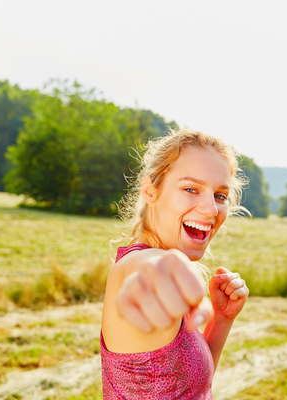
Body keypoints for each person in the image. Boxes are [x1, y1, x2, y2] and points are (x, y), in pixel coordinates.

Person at [100, 129, 250, 399]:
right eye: (191, 189)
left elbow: (188, 388)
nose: (211, 210)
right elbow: (147, 268)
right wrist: (166, 268)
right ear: (150, 191)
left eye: (220, 196)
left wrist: (222, 318)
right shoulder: (135, 265)